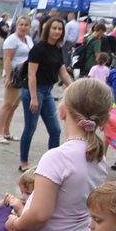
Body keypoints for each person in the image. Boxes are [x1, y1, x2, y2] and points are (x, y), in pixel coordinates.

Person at [6, 79, 113, 231]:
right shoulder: (99, 158)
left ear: (63, 111)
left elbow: (39, 215)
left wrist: (16, 226)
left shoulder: (56, 157)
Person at [19, 15, 74, 172]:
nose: (57, 31)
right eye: (54, 28)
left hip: (48, 91)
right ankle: (23, 162)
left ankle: (52, 163)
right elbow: (31, 74)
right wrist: (34, 97)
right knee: (30, 128)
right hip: (33, 91)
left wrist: (75, 88)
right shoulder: (39, 48)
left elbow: (62, 72)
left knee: (55, 130)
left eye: (60, 29)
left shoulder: (57, 48)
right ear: (47, 29)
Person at [0, 15, 33, 144]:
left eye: (26, 25)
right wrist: (8, 77)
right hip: (14, 74)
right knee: (7, 104)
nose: (23, 27)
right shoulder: (12, 40)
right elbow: (7, 59)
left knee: (14, 105)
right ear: (16, 25)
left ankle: (6, 131)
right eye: (21, 24)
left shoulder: (28, 39)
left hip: (24, 75)